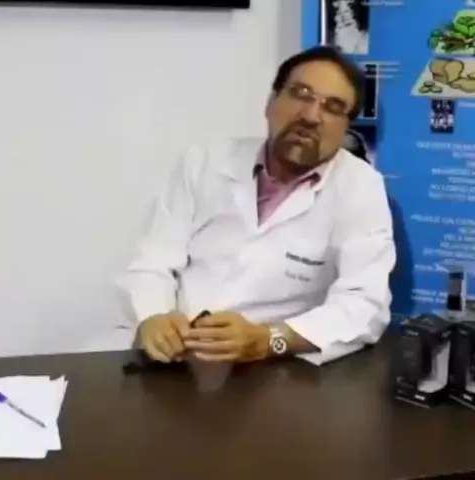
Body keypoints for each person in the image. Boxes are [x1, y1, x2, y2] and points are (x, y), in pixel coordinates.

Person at [117, 46, 396, 366]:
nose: (311, 116)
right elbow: (152, 260)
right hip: (171, 358)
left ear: (346, 127)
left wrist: (269, 340)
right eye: (301, 94)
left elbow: (365, 304)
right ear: (270, 102)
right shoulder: (204, 162)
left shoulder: (359, 187)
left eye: (333, 107)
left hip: (270, 370)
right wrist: (153, 316)